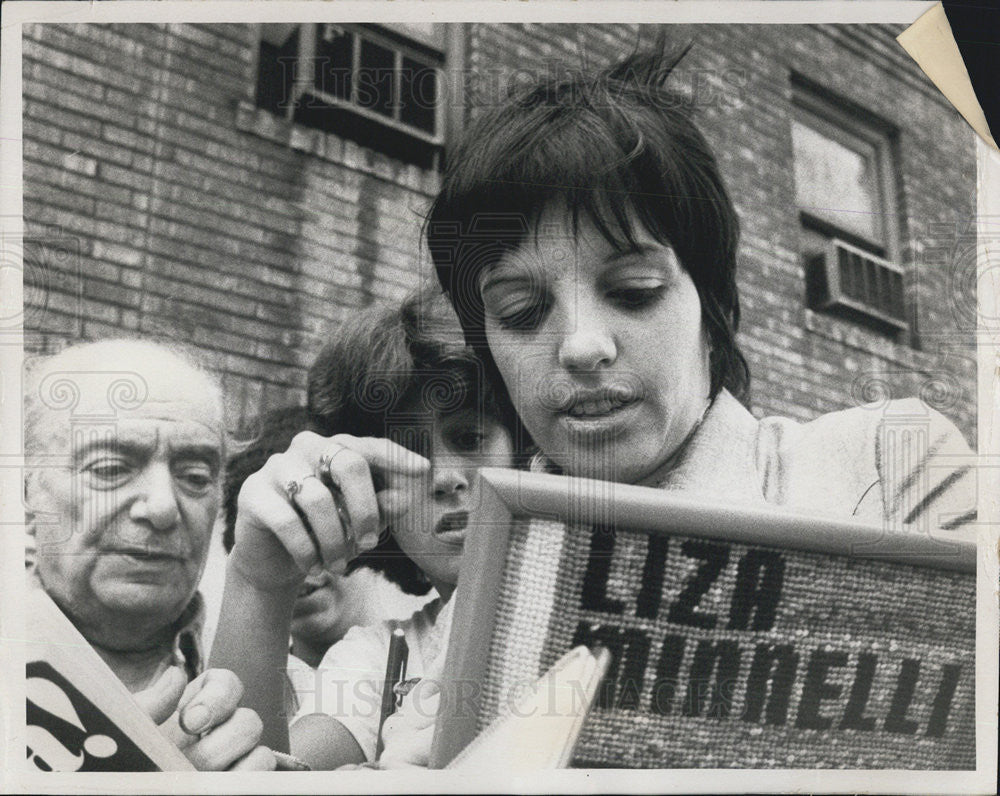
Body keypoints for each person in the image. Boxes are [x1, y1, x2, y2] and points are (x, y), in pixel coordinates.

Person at [424, 46, 976, 526]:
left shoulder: (886, 467)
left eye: (634, 291)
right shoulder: (457, 595)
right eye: (521, 312)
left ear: (710, 309)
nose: (582, 346)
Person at [209, 292, 516, 769]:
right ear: (366, 490)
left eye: (470, 438)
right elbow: (260, 775)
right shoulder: (375, 657)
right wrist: (258, 581)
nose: (446, 476)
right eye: (405, 453)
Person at [24, 338, 274, 770]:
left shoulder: (283, 689)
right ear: (26, 494)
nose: (162, 506)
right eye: (109, 469)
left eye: (195, 476)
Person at [219, 405, 431, 668]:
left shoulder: (429, 662)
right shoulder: (235, 674)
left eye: (319, 522)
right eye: (276, 532)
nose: (299, 553)